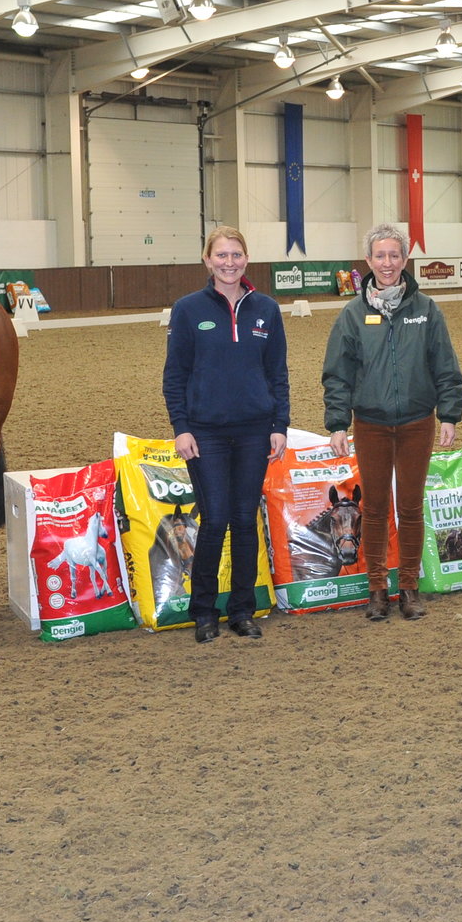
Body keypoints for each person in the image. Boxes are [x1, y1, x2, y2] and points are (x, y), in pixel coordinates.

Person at [322, 224, 462, 623]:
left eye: (394, 255)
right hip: (370, 424)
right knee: (375, 509)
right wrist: (338, 423)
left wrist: (449, 413)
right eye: (380, 256)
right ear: (368, 261)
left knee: (411, 507)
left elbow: (445, 365)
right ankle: (375, 590)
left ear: (405, 260)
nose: (387, 263)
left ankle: (408, 588)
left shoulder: (427, 311)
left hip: (418, 422)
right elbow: (337, 375)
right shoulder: (352, 316)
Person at [164, 226, 290, 644]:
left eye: (236, 255)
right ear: (207, 260)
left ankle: (241, 610)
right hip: (206, 435)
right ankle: (203, 611)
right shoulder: (187, 309)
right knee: (215, 520)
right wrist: (181, 428)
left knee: (244, 520)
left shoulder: (267, 310)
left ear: (246, 260)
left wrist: (279, 425)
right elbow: (175, 375)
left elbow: (277, 373)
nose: (229, 262)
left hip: (255, 431)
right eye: (221, 255)